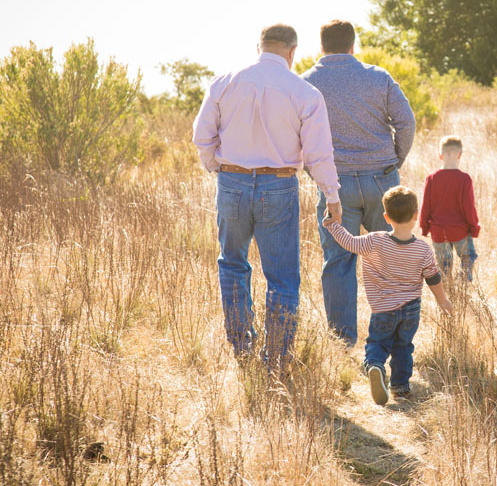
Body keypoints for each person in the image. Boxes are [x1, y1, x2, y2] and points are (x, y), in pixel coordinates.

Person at [192, 23, 342, 373]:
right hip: (279, 185)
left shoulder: (224, 82)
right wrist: (331, 194)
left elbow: (202, 136)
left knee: (232, 264)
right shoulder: (305, 93)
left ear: (258, 47)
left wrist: (218, 167)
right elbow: (319, 154)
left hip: (232, 181)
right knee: (283, 277)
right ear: (293, 52)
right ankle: (276, 359)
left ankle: (242, 347)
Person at [303, 20, 416, 347]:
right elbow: (405, 122)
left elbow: (300, 140)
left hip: (335, 188)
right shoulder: (378, 77)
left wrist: (320, 177)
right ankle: (395, 340)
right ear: (353, 45)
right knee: (395, 258)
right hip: (382, 181)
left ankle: (343, 343)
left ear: (321, 47)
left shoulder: (308, 84)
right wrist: (395, 161)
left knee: (338, 263)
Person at [323, 186, 453, 405]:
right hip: (411, 310)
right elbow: (433, 277)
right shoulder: (423, 249)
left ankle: (374, 365)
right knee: (403, 347)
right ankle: (401, 388)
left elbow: (350, 243)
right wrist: (443, 301)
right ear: (415, 216)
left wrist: (333, 225)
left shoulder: (376, 240)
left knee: (379, 343)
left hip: (383, 308)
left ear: (386, 217)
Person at [419, 135, 480, 281]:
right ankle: (462, 286)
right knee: (468, 257)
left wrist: (424, 227)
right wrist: (474, 227)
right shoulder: (464, 179)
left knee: (443, 267)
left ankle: (446, 294)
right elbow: (469, 207)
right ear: (460, 155)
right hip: (460, 230)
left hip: (439, 231)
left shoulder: (432, 178)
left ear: (440, 155)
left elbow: (425, 206)